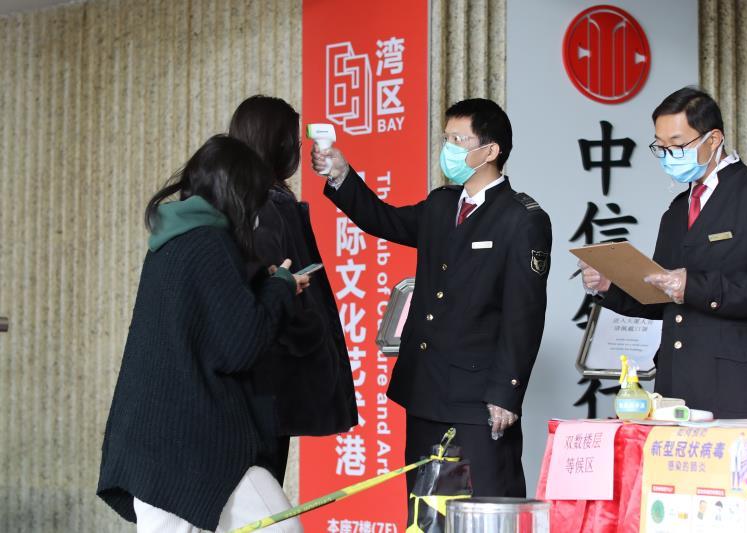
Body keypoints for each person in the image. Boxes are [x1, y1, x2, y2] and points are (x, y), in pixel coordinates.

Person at [311, 98, 552, 503]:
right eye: (446, 138)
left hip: (478, 397)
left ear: (490, 151)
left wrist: (506, 393)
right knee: (426, 510)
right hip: (425, 388)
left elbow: (523, 315)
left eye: (459, 140)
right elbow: (384, 219)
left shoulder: (521, 218)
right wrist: (341, 174)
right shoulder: (442, 204)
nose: (448, 149)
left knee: (486, 508)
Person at [97, 135, 309, 532]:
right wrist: (280, 287)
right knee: (280, 527)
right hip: (188, 446)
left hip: (153, 439)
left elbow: (209, 327)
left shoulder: (171, 240)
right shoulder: (211, 243)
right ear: (239, 193)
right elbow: (241, 344)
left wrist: (259, 285)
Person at [580, 86, 747, 419]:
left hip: (739, 382)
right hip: (676, 383)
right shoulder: (677, 209)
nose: (669, 155)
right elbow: (661, 297)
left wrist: (693, 286)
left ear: (713, 140)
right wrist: (611, 285)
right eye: (661, 146)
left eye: (678, 144)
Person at [228, 95, 358, 485]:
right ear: (277, 144)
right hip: (269, 386)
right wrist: (312, 338)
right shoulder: (267, 207)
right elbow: (272, 293)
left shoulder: (240, 201)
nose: (299, 151)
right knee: (259, 496)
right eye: (294, 141)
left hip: (253, 384)